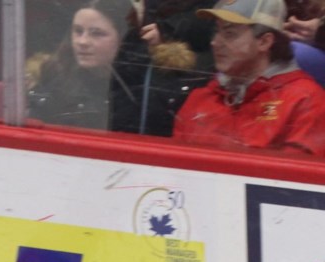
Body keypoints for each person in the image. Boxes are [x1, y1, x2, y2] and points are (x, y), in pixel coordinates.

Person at [172, 0, 325, 155]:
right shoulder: (200, 99)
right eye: (217, 31)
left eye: (229, 34)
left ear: (264, 42)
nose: (215, 42)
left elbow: (292, 176)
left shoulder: (305, 101)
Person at [110, 0, 216, 136]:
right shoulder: (136, 20)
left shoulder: (210, 29)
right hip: (127, 136)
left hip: (171, 140)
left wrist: (167, 29)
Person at [28, 0, 137, 130]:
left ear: (123, 39)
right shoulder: (54, 78)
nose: (82, 41)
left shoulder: (140, 90)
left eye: (97, 33)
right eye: (78, 31)